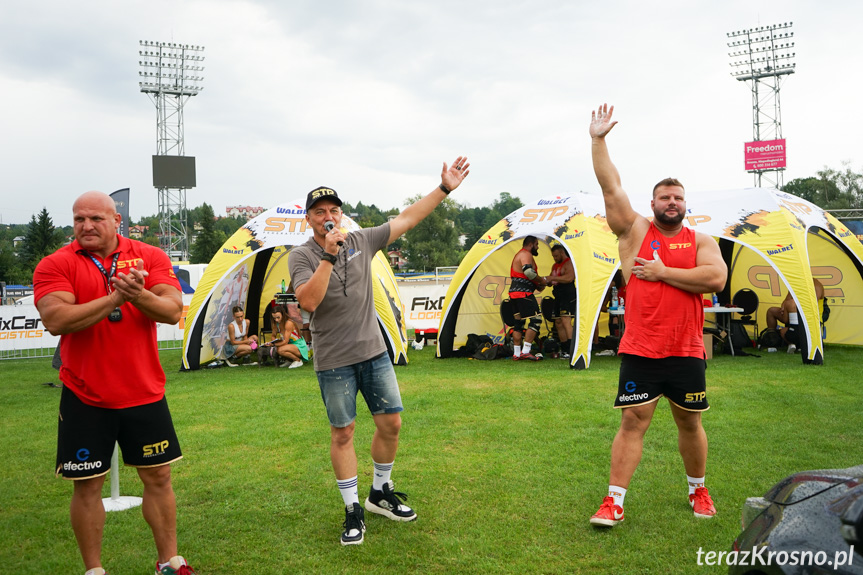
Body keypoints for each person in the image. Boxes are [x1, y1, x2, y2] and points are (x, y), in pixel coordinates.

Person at [288, 157, 470, 545]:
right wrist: (328, 255)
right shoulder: (301, 256)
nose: (328, 217)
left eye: (334, 210)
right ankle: (352, 509)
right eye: (320, 212)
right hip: (334, 359)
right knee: (344, 432)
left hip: (373, 352)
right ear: (309, 219)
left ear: (342, 213)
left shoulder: (361, 240)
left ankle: (379, 493)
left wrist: (444, 189)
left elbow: (407, 220)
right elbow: (309, 301)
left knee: (391, 424)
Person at [33, 191, 196, 575]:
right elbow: (57, 319)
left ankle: (169, 562)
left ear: (116, 220)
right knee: (88, 485)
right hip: (85, 395)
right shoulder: (55, 264)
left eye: (96, 219)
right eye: (79, 219)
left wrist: (136, 294)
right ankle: (94, 570)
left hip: (144, 393)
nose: (86, 226)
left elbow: (173, 311)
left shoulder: (150, 256)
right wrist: (114, 299)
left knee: (159, 477)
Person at [587, 104, 727, 528]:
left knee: (690, 421)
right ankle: (613, 502)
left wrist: (663, 272)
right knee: (633, 421)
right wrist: (598, 140)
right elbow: (612, 190)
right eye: (665, 197)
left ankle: (698, 489)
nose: (672, 202)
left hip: (686, 350)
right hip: (642, 349)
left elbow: (716, 278)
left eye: (679, 197)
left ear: (687, 204)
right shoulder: (634, 232)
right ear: (653, 203)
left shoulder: (701, 240)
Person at [508, 235, 547, 361]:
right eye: (537, 245)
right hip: (523, 293)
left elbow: (525, 276)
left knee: (518, 323)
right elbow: (528, 272)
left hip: (515, 293)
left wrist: (539, 284)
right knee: (536, 319)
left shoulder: (520, 254)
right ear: (531, 244)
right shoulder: (526, 254)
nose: (537, 248)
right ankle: (526, 350)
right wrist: (541, 280)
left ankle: (517, 353)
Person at [765, 278, 825, 354]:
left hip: (809, 319)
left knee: (792, 305)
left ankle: (795, 342)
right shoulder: (797, 284)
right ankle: (772, 340)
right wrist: (784, 308)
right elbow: (786, 301)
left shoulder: (816, 285)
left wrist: (792, 306)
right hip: (793, 315)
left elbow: (811, 305)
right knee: (772, 311)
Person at [544, 243, 575, 359]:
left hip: (567, 293)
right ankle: (564, 349)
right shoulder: (554, 266)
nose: (555, 258)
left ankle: (572, 349)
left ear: (562, 253)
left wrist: (553, 278)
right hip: (557, 294)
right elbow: (552, 279)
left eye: (556, 256)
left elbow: (569, 278)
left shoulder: (569, 263)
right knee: (557, 322)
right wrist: (546, 281)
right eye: (553, 256)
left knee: (566, 320)